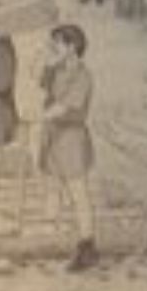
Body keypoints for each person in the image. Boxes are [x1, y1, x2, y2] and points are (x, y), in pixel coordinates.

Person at [34, 23, 100, 271]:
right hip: (53, 138)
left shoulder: (83, 76)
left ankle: (87, 246)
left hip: (71, 138)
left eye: (58, 43)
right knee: (52, 186)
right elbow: (37, 83)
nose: (53, 47)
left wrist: (42, 116)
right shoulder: (56, 69)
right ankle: (54, 237)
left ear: (72, 47)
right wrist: (44, 61)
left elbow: (66, 107)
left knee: (78, 193)